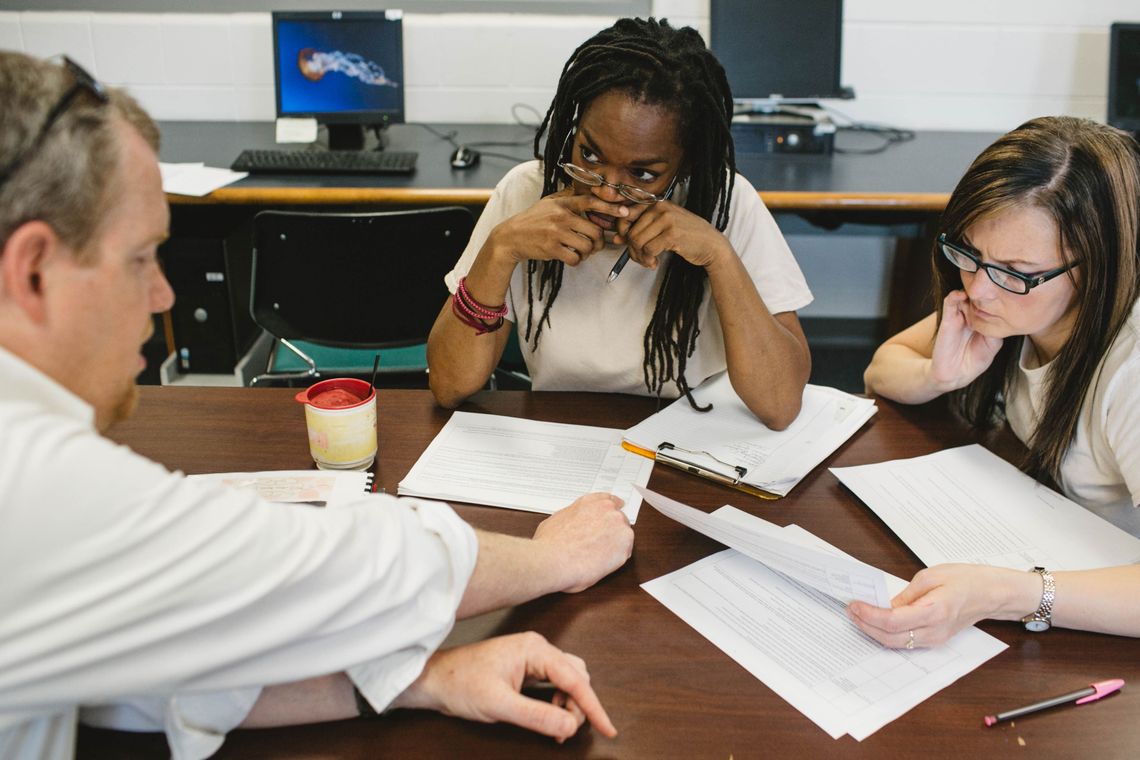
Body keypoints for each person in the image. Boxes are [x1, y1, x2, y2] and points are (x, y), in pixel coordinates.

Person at [0, 52, 635, 760]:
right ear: (33, 271)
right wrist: (550, 558)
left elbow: (132, 664)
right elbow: (338, 567)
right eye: (143, 258)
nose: (165, 297)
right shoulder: (30, 489)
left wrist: (412, 681)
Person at [426, 17, 812, 429]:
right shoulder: (525, 193)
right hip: (561, 433)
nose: (607, 192)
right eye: (589, 156)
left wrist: (720, 257)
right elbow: (450, 387)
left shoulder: (727, 203)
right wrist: (500, 251)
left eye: (643, 175)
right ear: (571, 131)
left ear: (685, 167)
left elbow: (780, 403)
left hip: (697, 437)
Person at [853, 116, 1140, 647]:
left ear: (1097, 266)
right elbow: (884, 366)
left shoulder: (1130, 372)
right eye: (969, 253)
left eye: (1015, 270)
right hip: (1050, 536)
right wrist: (939, 375)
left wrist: (1006, 593)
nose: (979, 291)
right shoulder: (1012, 305)